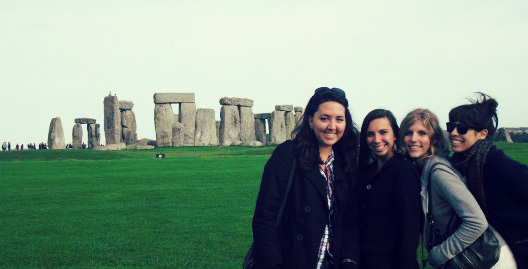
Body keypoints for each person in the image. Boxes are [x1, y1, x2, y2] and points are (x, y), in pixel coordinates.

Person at [252, 87, 360, 269]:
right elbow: (265, 218)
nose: (332, 126)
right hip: (291, 261)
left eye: (339, 119)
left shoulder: (345, 163)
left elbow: (350, 221)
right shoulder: (288, 155)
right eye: (324, 118)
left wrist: (349, 262)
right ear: (310, 120)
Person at [400, 108, 488, 268]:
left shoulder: (439, 172)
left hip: (470, 260)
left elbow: (477, 222)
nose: (413, 139)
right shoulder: (421, 168)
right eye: (408, 132)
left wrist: (438, 254)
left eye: (422, 133)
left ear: (433, 138)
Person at [448, 93, 526, 268]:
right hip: (498, 244)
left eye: (461, 129)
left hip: (518, 244)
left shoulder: (495, 162)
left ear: (482, 134)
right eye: (450, 126)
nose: (453, 133)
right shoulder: (462, 162)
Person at [357, 109, 421, 269]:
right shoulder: (367, 172)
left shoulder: (403, 171)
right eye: (370, 134)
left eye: (383, 132)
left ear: (395, 136)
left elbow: (410, 230)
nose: (376, 139)